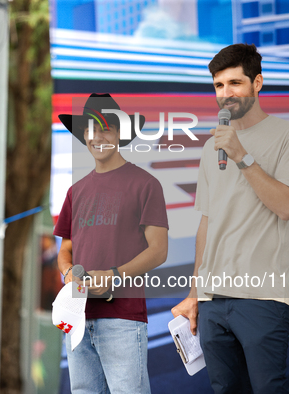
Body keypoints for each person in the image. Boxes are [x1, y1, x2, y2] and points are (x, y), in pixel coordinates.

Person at [171, 44, 289, 393]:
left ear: (257, 82)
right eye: (218, 85)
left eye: (235, 83)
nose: (225, 93)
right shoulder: (209, 147)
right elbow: (207, 223)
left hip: (262, 298)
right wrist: (194, 293)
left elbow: (288, 206)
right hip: (212, 302)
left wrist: (242, 156)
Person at [55, 93, 169, 393]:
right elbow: (65, 249)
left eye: (105, 128)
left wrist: (114, 275)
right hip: (77, 318)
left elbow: (159, 250)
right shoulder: (75, 191)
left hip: (123, 318)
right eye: (90, 130)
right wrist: (68, 273)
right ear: (83, 136)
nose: (97, 137)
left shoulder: (145, 184)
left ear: (120, 133)